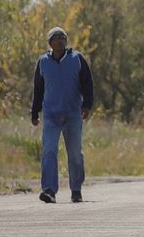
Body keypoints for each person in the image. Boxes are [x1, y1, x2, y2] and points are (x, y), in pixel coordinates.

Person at [31, 26, 94, 204]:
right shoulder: (43, 62)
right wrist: (35, 112)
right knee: (49, 151)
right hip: (51, 115)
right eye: (56, 38)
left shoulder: (77, 59)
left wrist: (87, 105)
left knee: (74, 153)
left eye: (63, 38)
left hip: (72, 114)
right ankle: (49, 190)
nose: (60, 41)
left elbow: (88, 84)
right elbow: (38, 89)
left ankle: (76, 189)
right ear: (50, 43)